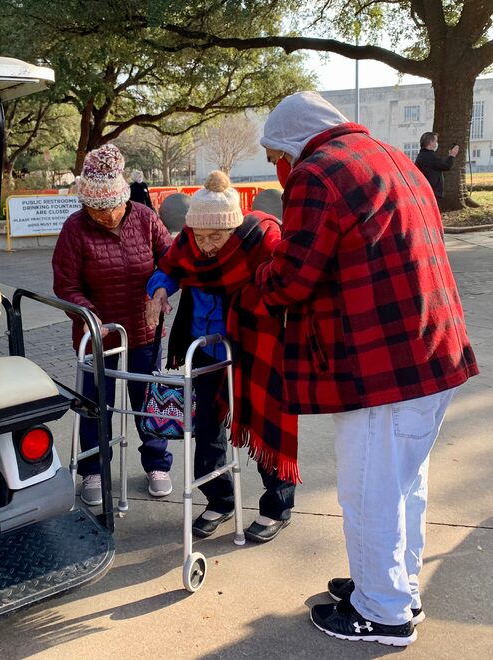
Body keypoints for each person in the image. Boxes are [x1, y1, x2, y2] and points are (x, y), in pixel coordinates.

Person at [257, 91, 477, 646]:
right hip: (431, 352)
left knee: (369, 491)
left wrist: (258, 270)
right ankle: (394, 587)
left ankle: (382, 614)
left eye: (275, 157)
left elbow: (290, 280)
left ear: (290, 145)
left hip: (383, 368)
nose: (277, 170)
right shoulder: (392, 157)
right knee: (402, 485)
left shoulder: (317, 174)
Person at [146, 171, 298, 543]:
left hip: (252, 347)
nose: (208, 246)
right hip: (203, 351)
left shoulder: (262, 237)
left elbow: (287, 277)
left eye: (217, 237)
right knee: (207, 429)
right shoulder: (187, 243)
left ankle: (277, 507)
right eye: (200, 237)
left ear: (234, 227)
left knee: (264, 423)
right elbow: (167, 268)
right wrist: (160, 290)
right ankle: (220, 499)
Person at [52, 144, 173, 506]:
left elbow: (170, 260)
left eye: (110, 208)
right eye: (95, 209)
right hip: (97, 335)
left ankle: (157, 463)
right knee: (94, 404)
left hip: (143, 329)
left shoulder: (145, 218)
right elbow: (66, 285)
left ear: (123, 199)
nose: (103, 215)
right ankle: (93, 469)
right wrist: (90, 316)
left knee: (148, 400)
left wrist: (161, 290)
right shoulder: (75, 228)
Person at [414, 132, 459, 200]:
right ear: (431, 142)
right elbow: (446, 166)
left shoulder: (423, 155)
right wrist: (452, 155)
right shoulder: (429, 156)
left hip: (426, 191)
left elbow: (439, 164)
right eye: (436, 141)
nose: (436, 144)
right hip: (431, 192)